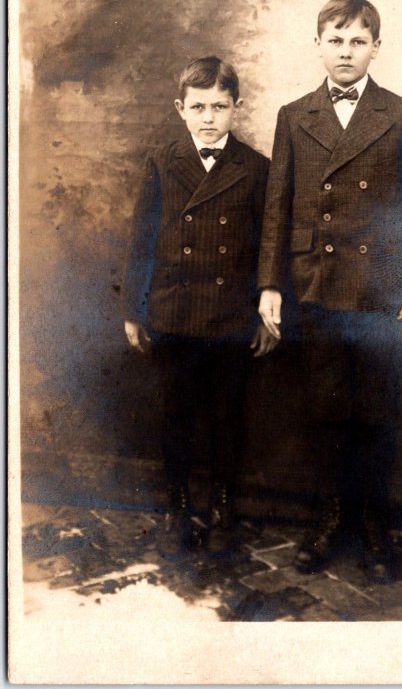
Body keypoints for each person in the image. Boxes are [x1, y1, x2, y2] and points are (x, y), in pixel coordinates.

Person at [257, 0, 402, 581]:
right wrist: (269, 283)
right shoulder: (294, 114)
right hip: (317, 282)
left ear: (375, 49)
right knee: (327, 409)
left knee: (377, 411)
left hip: (382, 288)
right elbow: (276, 206)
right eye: (335, 40)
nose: (345, 51)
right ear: (318, 45)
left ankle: (373, 524)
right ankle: (331, 519)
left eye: (358, 41)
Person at [123, 56, 276, 556]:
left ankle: (226, 501)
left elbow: (267, 247)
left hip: (230, 315)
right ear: (181, 109)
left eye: (219, 106)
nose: (209, 117)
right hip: (173, 311)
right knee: (177, 415)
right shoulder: (163, 160)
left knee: (228, 416)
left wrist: (264, 313)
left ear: (237, 108)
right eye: (199, 107)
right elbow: (143, 237)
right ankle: (177, 502)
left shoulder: (256, 168)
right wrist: (134, 308)